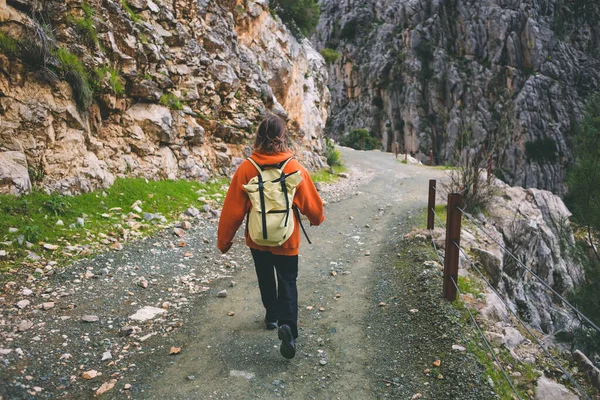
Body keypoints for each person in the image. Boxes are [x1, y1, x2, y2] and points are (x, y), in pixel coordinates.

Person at [217, 114, 325, 359]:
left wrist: (224, 242)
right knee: (288, 280)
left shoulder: (247, 168)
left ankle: (271, 316)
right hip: (287, 239)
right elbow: (314, 209)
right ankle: (288, 325)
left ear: (258, 137)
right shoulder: (294, 167)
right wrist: (317, 219)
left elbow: (232, 210)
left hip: (258, 239)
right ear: (283, 138)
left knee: (265, 276)